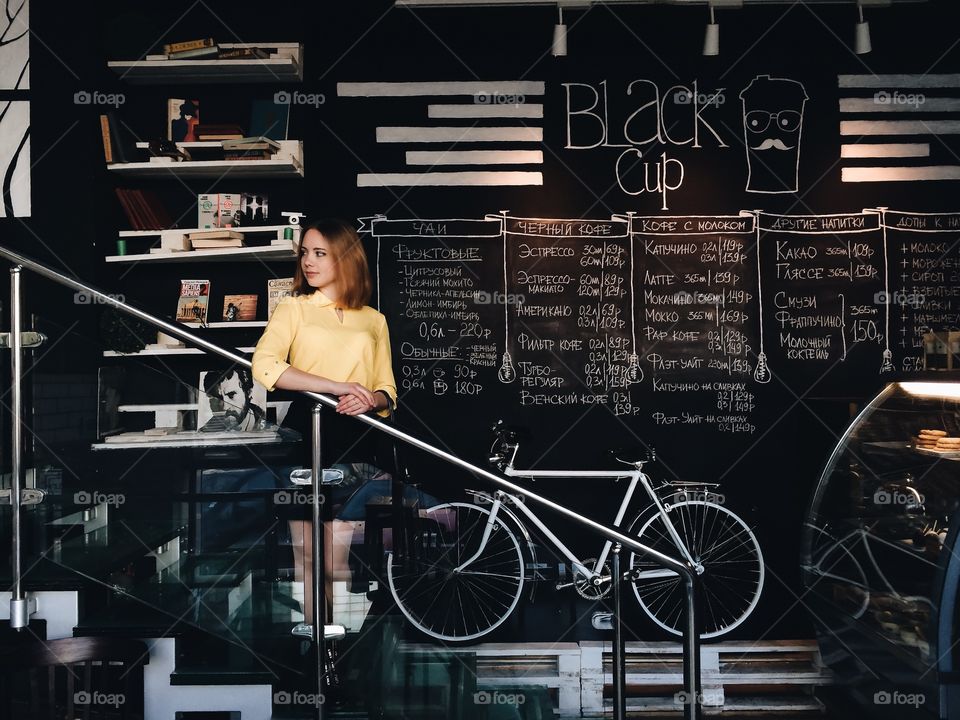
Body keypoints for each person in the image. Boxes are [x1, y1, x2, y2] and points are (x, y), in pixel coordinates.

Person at [251, 218, 397, 641]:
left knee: (336, 561)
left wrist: (372, 398)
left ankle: (338, 647)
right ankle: (320, 654)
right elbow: (265, 367)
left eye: (320, 253)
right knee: (307, 558)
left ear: (345, 258)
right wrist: (335, 388)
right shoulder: (293, 308)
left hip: (356, 437)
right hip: (307, 434)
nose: (308, 262)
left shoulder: (373, 320)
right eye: (304, 252)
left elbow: (388, 389)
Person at [200, 368, 267, 432]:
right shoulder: (204, 433)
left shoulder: (268, 426)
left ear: (248, 392)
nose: (225, 407)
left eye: (231, 395)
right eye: (217, 398)